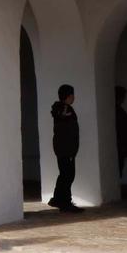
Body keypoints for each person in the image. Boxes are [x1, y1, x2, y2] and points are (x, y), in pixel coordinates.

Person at [49, 83, 83, 212]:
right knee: (68, 175)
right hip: (66, 148)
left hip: (63, 147)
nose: (74, 97)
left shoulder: (62, 108)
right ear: (68, 96)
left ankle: (58, 199)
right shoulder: (64, 109)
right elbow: (64, 122)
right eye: (72, 95)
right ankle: (65, 203)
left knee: (64, 174)